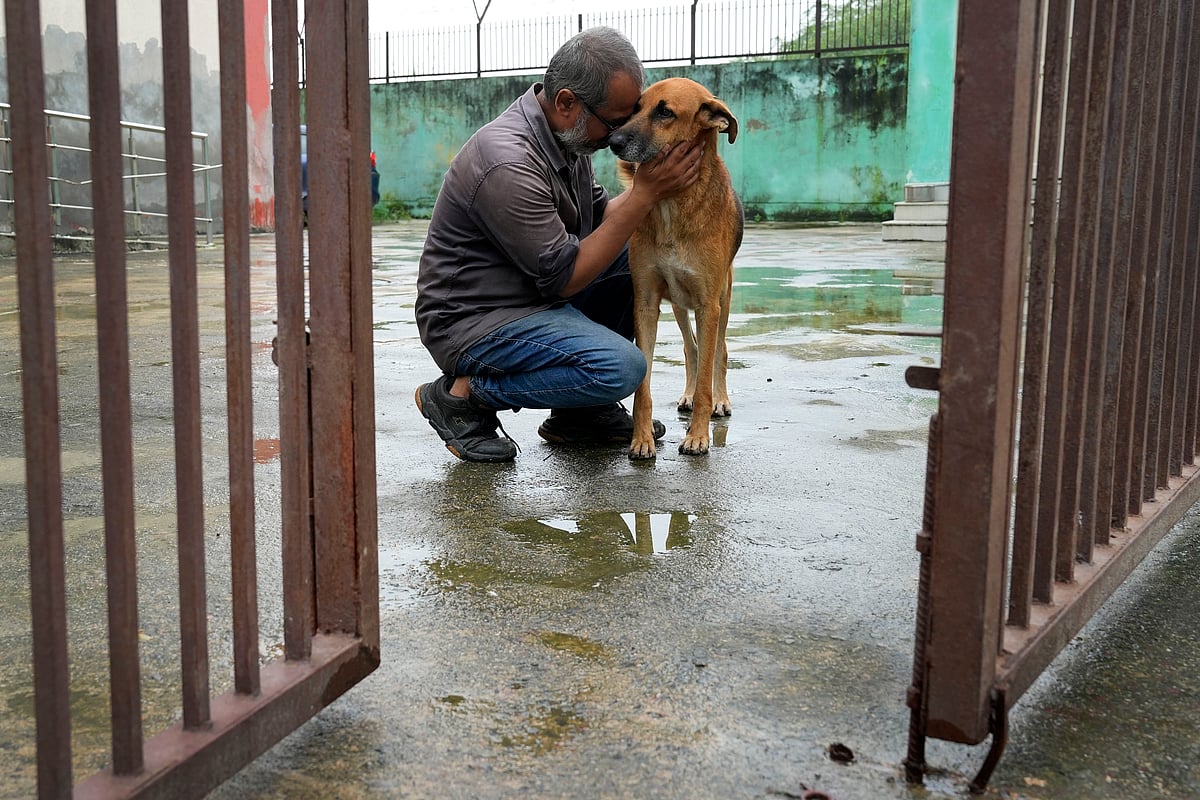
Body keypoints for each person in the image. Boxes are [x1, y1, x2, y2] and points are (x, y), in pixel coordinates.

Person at [414, 26, 704, 462]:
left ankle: (580, 414)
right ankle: (462, 397)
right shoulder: (507, 162)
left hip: (531, 298)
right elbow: (564, 278)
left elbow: (605, 219)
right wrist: (645, 194)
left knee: (641, 259)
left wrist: (664, 188)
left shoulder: (567, 142)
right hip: (475, 322)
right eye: (615, 122)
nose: (619, 136)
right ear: (568, 102)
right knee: (619, 367)